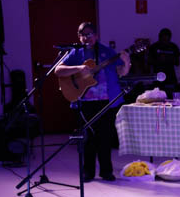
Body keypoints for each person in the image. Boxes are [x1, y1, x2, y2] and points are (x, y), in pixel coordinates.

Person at [55, 22, 130, 182]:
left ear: (96, 36)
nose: (87, 38)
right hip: (84, 101)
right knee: (87, 138)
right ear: (79, 37)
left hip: (105, 101)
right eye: (83, 35)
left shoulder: (106, 52)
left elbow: (122, 72)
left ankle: (106, 171)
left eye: (90, 34)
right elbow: (58, 70)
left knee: (105, 137)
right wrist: (78, 69)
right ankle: (87, 172)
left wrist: (127, 60)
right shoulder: (76, 52)